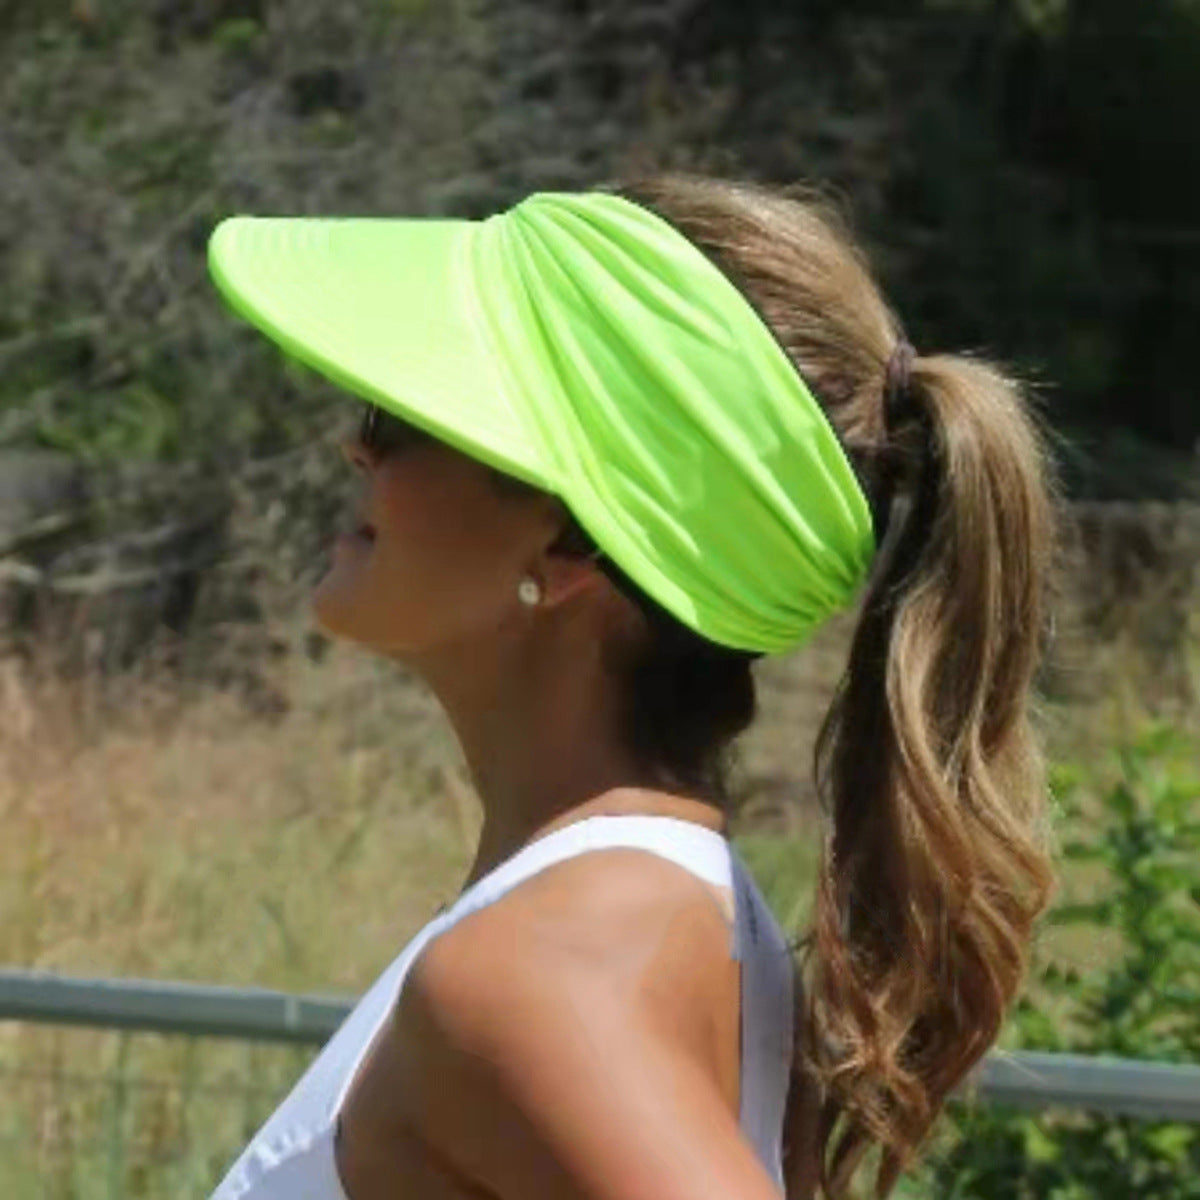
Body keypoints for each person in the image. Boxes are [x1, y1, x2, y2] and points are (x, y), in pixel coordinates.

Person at [204, 174, 1060, 1200]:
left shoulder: (545, 970)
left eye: (402, 414)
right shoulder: (648, 926)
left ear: (572, 542)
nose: (358, 444)